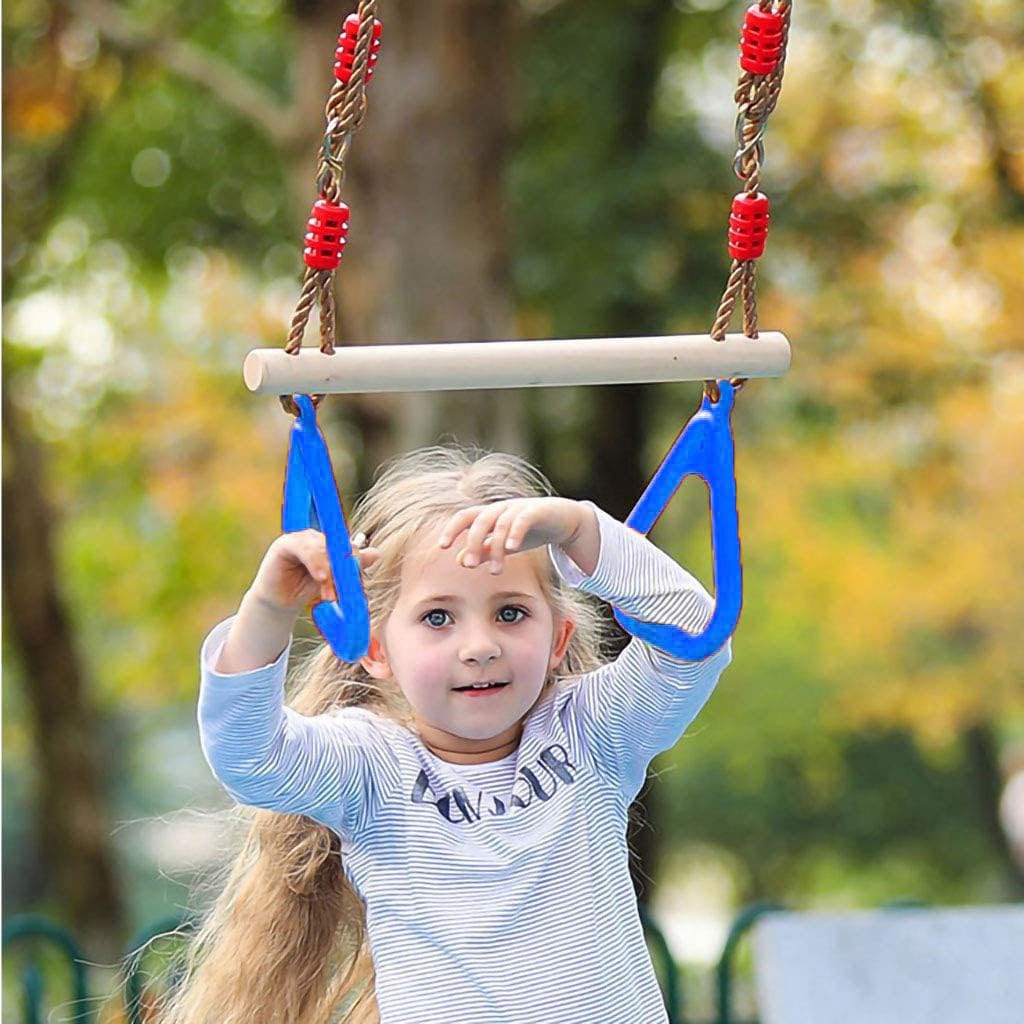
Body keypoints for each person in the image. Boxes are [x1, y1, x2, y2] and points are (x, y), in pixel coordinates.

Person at [163, 445, 732, 1024]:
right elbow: (248, 756)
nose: (479, 646)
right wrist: (268, 607)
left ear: (557, 639)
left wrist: (580, 527)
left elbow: (696, 637)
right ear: (377, 650)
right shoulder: (369, 768)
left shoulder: (592, 732)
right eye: (438, 617)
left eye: (510, 612)